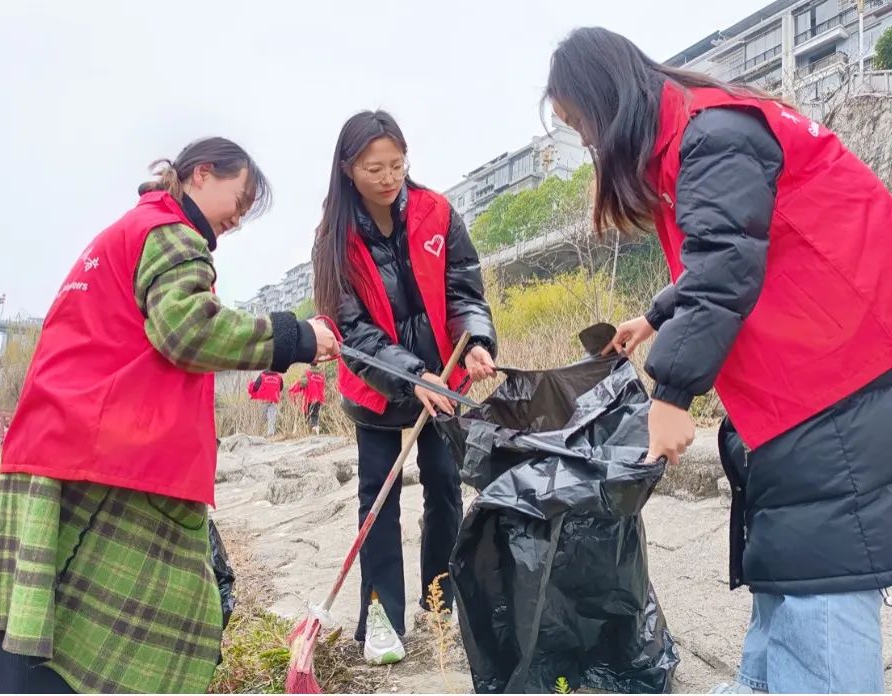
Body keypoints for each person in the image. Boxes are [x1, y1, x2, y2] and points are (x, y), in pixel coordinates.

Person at [545, 27, 892, 694]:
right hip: (815, 369)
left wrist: (672, 395)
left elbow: (727, 267)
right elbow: (734, 246)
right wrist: (654, 316)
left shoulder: (713, 136)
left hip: (838, 377)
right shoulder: (699, 129)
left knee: (825, 568)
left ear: (607, 100)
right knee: (788, 557)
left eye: (582, 124)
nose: (588, 143)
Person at [0, 137, 339, 694]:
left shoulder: (124, 232)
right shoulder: (171, 235)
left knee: (37, 626)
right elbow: (189, 329)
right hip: (105, 465)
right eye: (240, 198)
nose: (239, 217)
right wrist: (297, 336)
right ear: (201, 174)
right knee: (159, 618)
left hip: (58, 449)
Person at [312, 110, 497, 666]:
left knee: (445, 485)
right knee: (380, 498)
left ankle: (439, 594)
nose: (389, 177)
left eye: (397, 165)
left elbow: (465, 289)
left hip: (445, 382)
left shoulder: (436, 212)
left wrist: (479, 339)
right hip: (377, 390)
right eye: (375, 168)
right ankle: (382, 615)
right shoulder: (333, 240)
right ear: (348, 170)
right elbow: (354, 332)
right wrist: (411, 376)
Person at [247, 370, 284, 436]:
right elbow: (281, 388)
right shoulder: (279, 377)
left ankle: (257, 434)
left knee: (261, 418)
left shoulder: (262, 375)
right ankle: (270, 433)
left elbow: (255, 387)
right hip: (273, 399)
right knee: (272, 418)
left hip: (263, 400)